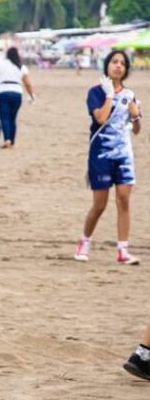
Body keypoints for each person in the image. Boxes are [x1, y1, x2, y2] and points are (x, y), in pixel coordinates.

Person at [74, 49, 141, 265]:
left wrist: (136, 114)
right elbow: (101, 118)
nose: (118, 66)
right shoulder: (96, 92)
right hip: (100, 154)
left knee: (123, 200)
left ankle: (123, 250)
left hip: (123, 155)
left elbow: (136, 129)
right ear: (107, 66)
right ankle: (84, 241)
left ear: (126, 69)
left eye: (122, 63)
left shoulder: (130, 94)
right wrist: (110, 95)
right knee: (100, 204)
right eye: (114, 62)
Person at [0, 47, 35, 147]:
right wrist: (31, 95)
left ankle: (7, 139)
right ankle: (12, 140)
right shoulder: (21, 66)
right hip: (17, 92)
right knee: (13, 118)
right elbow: (27, 83)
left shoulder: (0, 64)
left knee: (4, 117)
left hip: (3, 91)